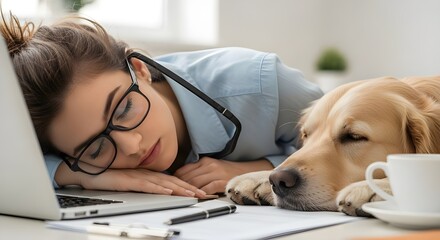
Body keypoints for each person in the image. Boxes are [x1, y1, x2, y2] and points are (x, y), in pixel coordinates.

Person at [0, 10, 323, 199]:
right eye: (97, 149)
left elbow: (362, 146)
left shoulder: (261, 82)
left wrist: (259, 171)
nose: (132, 146)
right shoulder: (67, 145)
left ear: (140, 69)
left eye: (125, 109)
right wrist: (81, 177)